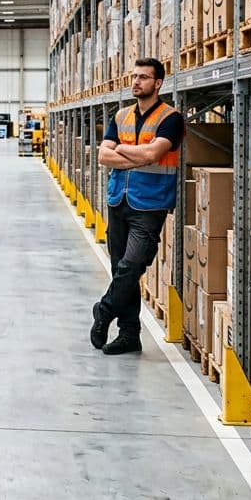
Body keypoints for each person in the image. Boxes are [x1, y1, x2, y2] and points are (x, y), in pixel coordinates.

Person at [90, 57, 185, 355]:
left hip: (150, 203)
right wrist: (133, 152)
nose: (136, 82)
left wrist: (121, 149)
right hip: (118, 199)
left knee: (132, 265)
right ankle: (129, 334)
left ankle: (104, 310)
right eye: (134, 76)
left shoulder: (171, 118)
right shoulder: (121, 117)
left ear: (158, 83)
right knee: (121, 268)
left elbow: (153, 154)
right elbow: (104, 156)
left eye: (143, 77)